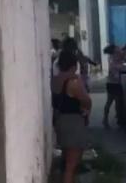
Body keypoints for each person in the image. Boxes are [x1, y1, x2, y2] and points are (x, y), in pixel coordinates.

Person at [52, 51, 91, 183]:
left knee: (67, 161)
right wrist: (87, 111)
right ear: (74, 66)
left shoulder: (55, 79)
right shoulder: (73, 82)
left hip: (60, 120)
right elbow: (86, 100)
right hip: (73, 123)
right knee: (71, 165)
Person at [102, 44, 125, 128]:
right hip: (113, 83)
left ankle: (117, 119)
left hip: (116, 83)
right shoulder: (112, 58)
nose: (119, 50)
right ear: (114, 51)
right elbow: (115, 68)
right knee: (111, 102)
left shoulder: (116, 57)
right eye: (117, 49)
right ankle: (106, 119)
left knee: (117, 102)